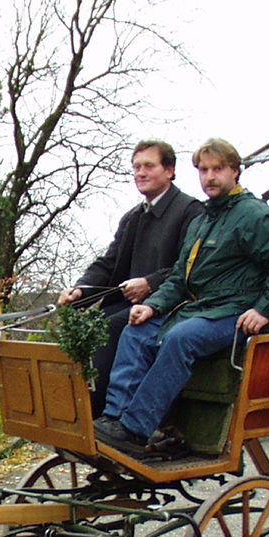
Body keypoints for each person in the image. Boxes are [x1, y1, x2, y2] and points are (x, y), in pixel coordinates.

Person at [93, 137, 269, 460]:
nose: (209, 177)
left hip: (236, 313)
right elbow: (180, 278)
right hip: (203, 310)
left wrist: (263, 309)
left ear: (235, 171)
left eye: (217, 169)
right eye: (203, 170)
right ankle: (114, 419)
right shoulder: (203, 221)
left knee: (181, 338)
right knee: (137, 329)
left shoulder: (253, 215)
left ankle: (136, 429)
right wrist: (151, 306)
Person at [57, 139, 204, 413]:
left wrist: (150, 284)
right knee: (86, 325)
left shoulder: (190, 211)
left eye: (149, 166)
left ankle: (104, 413)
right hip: (129, 303)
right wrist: (81, 290)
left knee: (110, 327)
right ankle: (73, 407)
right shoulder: (133, 217)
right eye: (136, 167)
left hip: (173, 305)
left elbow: (188, 267)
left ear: (170, 170)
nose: (140, 173)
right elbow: (109, 263)